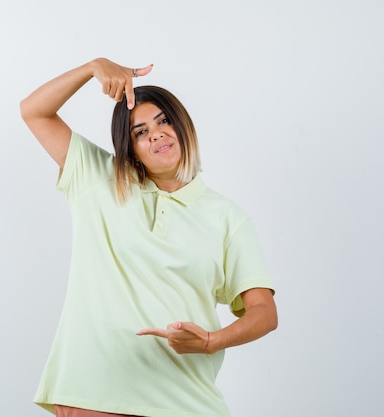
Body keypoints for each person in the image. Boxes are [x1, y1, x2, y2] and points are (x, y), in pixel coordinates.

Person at [20, 58, 278, 417]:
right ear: (130, 148)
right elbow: (34, 111)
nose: (155, 134)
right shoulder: (98, 178)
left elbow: (264, 313)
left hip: (189, 403)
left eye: (163, 121)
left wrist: (209, 342)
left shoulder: (227, 217)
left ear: (182, 126)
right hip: (96, 394)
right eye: (140, 132)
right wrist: (91, 68)